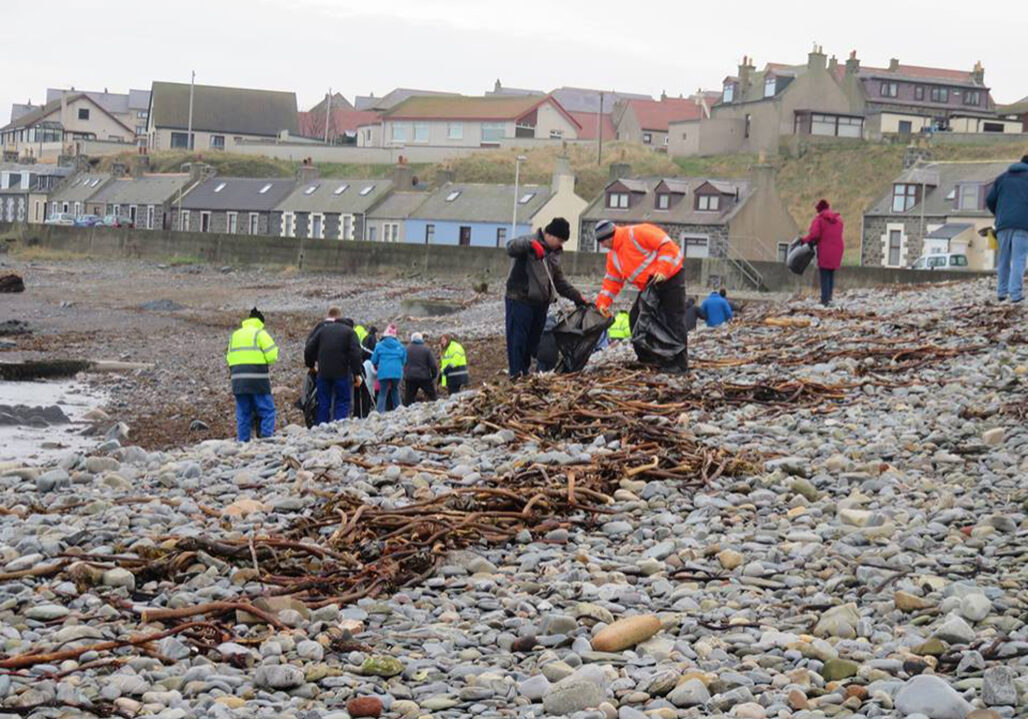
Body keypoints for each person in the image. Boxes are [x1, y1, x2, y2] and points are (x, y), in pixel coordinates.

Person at [593, 220, 687, 370]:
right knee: (636, 319)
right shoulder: (613, 256)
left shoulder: (636, 233)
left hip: (671, 278)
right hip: (650, 286)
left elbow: (667, 246)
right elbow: (612, 280)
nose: (602, 246)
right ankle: (648, 359)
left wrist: (663, 270)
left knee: (673, 320)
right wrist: (603, 303)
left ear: (609, 237)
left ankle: (678, 364)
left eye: (602, 242)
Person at [505, 217, 588, 378]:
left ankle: (525, 372)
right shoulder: (528, 242)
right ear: (549, 234)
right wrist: (530, 246)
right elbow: (510, 247)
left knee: (533, 342)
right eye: (559, 239)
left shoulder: (554, 254)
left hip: (541, 304)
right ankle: (516, 374)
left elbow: (559, 282)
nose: (560, 244)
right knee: (518, 341)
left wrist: (577, 298)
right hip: (520, 299)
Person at [226, 307, 278, 442]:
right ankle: (266, 438)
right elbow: (272, 356)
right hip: (257, 378)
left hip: (237, 378)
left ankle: (243, 441)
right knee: (267, 409)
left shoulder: (235, 335)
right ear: (260, 322)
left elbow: (229, 357)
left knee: (243, 412)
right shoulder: (260, 333)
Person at [304, 307, 363, 424]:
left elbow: (309, 348)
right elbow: (356, 353)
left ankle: (321, 427)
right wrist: (357, 373)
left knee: (323, 402)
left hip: (323, 372)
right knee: (342, 400)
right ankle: (339, 425)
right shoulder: (350, 332)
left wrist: (311, 365)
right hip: (341, 372)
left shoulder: (322, 330)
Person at [986, 155, 1028, 303]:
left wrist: (1000, 214)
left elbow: (989, 200)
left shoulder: (1002, 178)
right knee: (1019, 258)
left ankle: (1002, 292)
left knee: (1003, 258)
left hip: (1003, 224)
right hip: (1023, 225)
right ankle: (1015, 294)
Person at [801, 199, 844, 306]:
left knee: (824, 274)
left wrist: (804, 240)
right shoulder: (838, 220)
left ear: (819, 210)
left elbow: (814, 235)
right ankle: (829, 297)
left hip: (825, 250)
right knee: (830, 273)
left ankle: (824, 300)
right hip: (838, 250)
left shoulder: (819, 220)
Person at [370, 324, 406, 413]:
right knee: (395, 390)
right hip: (397, 372)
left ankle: (379, 412)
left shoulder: (379, 345)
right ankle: (399, 410)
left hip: (383, 372)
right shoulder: (401, 346)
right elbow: (404, 360)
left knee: (383, 392)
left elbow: (373, 360)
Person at [404, 332, 438, 404]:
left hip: (410, 377)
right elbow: (433, 364)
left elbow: (403, 363)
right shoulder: (426, 349)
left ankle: (406, 413)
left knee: (408, 399)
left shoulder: (407, 349)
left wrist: (404, 374)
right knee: (433, 397)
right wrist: (434, 375)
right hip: (424, 376)